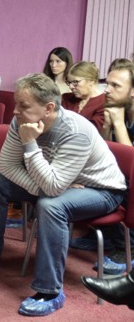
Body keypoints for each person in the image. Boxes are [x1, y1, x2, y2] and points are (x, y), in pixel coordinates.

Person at [0, 73, 127, 317]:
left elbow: (53, 188)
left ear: (48, 108)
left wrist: (30, 144)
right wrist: (47, 187)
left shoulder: (76, 131)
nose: (15, 111)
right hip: (56, 183)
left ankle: (50, 292)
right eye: (16, 104)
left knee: (51, 205)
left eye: (24, 106)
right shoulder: (21, 121)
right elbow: (7, 166)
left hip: (102, 191)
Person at [71, 58, 134, 272]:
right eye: (108, 83)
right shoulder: (119, 110)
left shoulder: (123, 117)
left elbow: (132, 164)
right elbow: (107, 156)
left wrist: (118, 124)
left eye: (116, 85)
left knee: (121, 185)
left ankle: (129, 247)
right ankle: (106, 235)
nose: (107, 90)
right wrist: (107, 128)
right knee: (89, 177)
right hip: (122, 175)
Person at [60, 61, 105, 131]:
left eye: (75, 82)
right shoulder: (65, 98)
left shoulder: (104, 102)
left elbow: (91, 130)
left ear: (91, 81)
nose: (71, 87)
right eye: (69, 82)